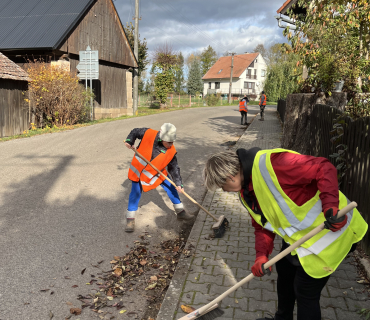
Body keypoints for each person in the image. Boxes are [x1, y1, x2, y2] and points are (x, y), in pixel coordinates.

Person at [203, 148, 368, 320]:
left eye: (222, 186)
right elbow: (262, 225)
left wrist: (331, 206)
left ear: (231, 177)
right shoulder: (246, 192)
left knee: (305, 292)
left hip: (333, 234)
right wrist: (261, 255)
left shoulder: (275, 164)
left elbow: (323, 167)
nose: (224, 190)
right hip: (299, 238)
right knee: (285, 272)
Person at [124, 123, 195, 232]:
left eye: (173, 142)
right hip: (138, 171)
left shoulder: (171, 150)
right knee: (135, 193)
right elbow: (135, 131)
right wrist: (130, 141)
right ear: (162, 139)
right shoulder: (148, 133)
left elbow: (174, 168)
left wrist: (179, 183)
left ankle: (180, 212)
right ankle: (130, 219)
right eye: (169, 142)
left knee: (172, 187)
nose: (171, 145)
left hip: (157, 173)